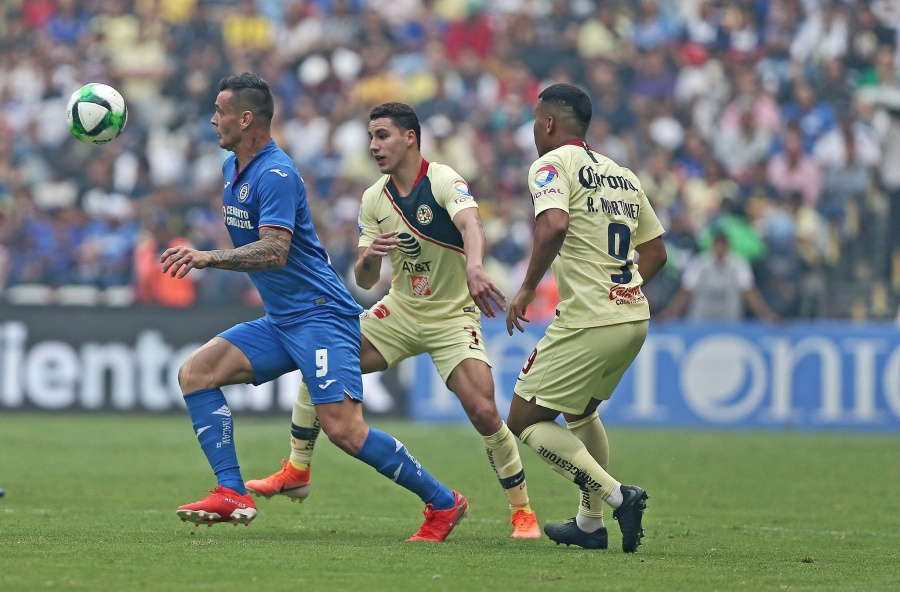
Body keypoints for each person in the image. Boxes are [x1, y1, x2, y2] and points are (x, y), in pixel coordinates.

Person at [160, 73, 467, 542]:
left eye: (220, 111)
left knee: (344, 430)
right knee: (195, 374)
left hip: (321, 315)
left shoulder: (276, 173)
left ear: (246, 119)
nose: (212, 119)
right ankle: (231, 492)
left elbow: (275, 251)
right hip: (284, 319)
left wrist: (207, 257)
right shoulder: (232, 169)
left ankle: (444, 502)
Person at [245, 102, 542, 539]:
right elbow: (365, 280)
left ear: (410, 137)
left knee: (482, 411)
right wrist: (368, 258)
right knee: (324, 352)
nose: (373, 146)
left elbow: (470, 223)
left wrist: (475, 266)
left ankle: (523, 511)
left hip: (451, 315)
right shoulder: (373, 199)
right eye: (370, 137)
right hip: (400, 309)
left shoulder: (441, 178)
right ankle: (297, 468)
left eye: (382, 135)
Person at [504, 83, 669, 553]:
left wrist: (528, 287)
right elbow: (656, 252)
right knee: (580, 411)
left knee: (524, 420)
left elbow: (553, 223)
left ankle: (619, 498)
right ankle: (590, 523)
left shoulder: (551, 164)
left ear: (550, 124)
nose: (536, 130)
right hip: (632, 318)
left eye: (537, 121)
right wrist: (626, 289)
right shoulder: (623, 175)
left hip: (588, 319)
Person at [659, 229, 780, 322]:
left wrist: (766, 315)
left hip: (730, 322)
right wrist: (671, 314)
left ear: (728, 246)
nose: (720, 248)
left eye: (723, 244)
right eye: (718, 244)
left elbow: (750, 293)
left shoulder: (738, 264)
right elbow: (685, 292)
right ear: (713, 245)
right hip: (701, 322)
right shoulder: (700, 263)